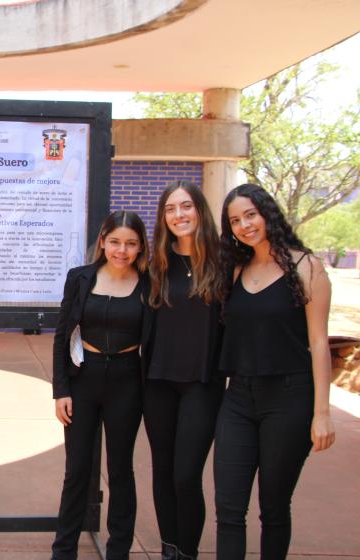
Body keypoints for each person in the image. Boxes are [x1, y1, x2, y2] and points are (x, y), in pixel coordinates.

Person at [214, 183, 335, 559]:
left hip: (289, 398)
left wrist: (322, 412)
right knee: (229, 509)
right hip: (238, 399)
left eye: (250, 214)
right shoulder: (235, 271)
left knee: (274, 507)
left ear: (268, 213)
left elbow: (318, 343)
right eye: (235, 220)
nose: (244, 225)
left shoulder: (306, 266)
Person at [51, 210, 153, 560]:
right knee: (77, 469)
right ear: (102, 241)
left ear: (141, 247)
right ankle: (63, 550)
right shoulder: (79, 278)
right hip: (84, 378)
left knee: (121, 469)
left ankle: (118, 550)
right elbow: (63, 334)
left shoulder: (150, 283)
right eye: (114, 242)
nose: (121, 251)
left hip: (128, 380)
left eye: (130, 243)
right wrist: (61, 390)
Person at [144, 181, 226, 560]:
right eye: (170, 209)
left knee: (186, 476)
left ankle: (188, 552)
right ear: (163, 217)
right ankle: (169, 549)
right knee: (162, 473)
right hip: (157, 382)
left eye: (186, 206)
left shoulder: (225, 262)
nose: (179, 215)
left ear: (200, 211)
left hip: (202, 384)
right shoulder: (155, 263)